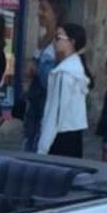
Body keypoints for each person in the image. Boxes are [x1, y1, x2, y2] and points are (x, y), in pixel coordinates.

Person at [35, 20, 90, 158]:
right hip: (73, 133)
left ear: (72, 42)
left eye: (59, 38)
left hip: (61, 137)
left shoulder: (64, 73)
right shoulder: (76, 68)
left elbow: (55, 112)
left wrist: (42, 148)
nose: (55, 42)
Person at [20, 0, 65, 152]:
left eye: (44, 9)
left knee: (39, 145)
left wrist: (37, 69)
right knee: (29, 140)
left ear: (56, 13)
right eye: (39, 8)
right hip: (35, 99)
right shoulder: (43, 38)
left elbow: (55, 78)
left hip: (46, 102)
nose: (39, 13)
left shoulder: (60, 42)